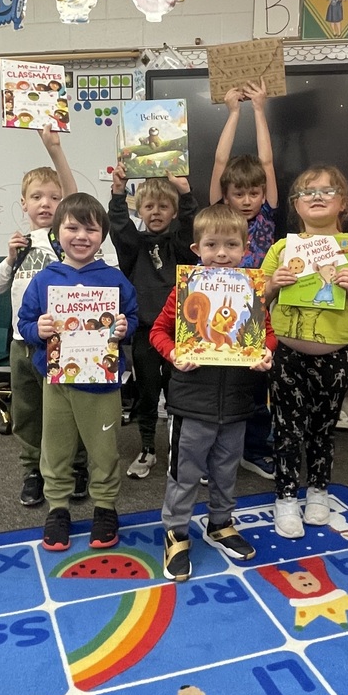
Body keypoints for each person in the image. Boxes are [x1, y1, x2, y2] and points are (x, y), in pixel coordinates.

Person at [149, 203, 277, 581]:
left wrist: (266, 352)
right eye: (212, 245)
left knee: (225, 469)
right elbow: (158, 332)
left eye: (231, 245)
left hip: (237, 403)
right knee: (184, 473)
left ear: (245, 248)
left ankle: (220, 522)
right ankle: (176, 531)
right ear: (197, 250)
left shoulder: (251, 293)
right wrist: (174, 354)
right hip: (192, 403)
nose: (222, 254)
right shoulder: (184, 291)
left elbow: (266, 334)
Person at [263, 166, 348, 539]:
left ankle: (318, 490)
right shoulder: (281, 249)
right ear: (295, 205)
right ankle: (285, 496)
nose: (317, 196)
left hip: (335, 357)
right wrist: (272, 284)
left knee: (322, 429)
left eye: (327, 190)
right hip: (286, 354)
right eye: (307, 192)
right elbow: (251, 301)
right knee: (286, 428)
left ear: (344, 204)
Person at [17, 193, 139, 551]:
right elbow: (25, 322)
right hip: (58, 382)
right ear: (57, 233)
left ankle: (104, 507)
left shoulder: (113, 279)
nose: (81, 235)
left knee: (103, 449)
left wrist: (122, 328)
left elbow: (132, 318)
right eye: (72, 227)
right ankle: (57, 508)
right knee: (55, 447)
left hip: (102, 383)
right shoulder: (44, 280)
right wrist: (35, 330)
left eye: (91, 228)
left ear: (102, 235)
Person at [0, 128, 98, 508]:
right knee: (28, 410)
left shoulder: (66, 239)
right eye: (37, 197)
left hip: (64, 342)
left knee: (71, 408)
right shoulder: (20, 244)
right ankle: (33, 467)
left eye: (54, 197)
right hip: (23, 343)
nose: (46, 203)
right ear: (24, 203)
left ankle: (77, 465)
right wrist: (8, 258)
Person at [109, 165, 199, 479]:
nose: (156, 212)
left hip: (182, 331)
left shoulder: (181, 244)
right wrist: (118, 193)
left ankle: (183, 450)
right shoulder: (134, 247)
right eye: (149, 206)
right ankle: (147, 447)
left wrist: (185, 194)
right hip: (146, 331)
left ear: (173, 211)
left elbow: (191, 226)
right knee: (147, 393)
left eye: (164, 206)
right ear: (141, 210)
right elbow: (119, 228)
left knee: (181, 392)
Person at [211, 79, 281, 480]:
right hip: (217, 307)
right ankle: (215, 450)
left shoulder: (268, 216)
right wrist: (233, 113)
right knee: (218, 382)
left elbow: (267, 164)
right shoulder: (220, 215)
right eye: (240, 193)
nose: (249, 199)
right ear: (229, 195)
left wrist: (258, 110)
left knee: (256, 384)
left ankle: (254, 449)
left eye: (255, 193)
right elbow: (220, 166)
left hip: (257, 309)